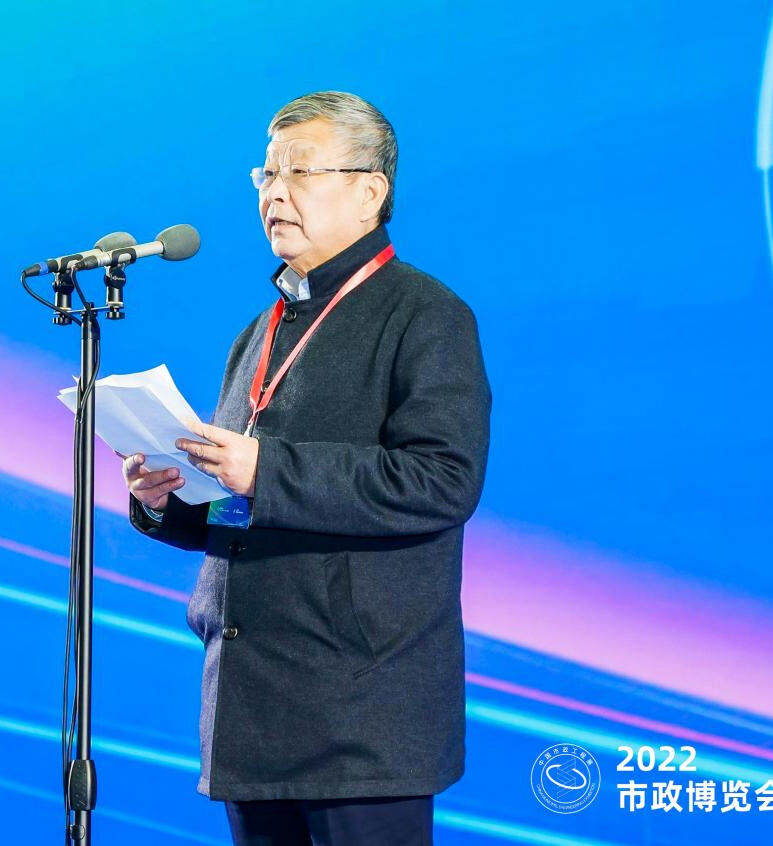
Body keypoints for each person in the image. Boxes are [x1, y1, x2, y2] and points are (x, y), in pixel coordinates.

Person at [122, 91, 491, 846]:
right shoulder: (257, 331)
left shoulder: (424, 315)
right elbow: (246, 506)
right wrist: (171, 500)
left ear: (369, 192)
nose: (274, 193)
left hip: (361, 710)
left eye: (299, 172)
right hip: (250, 706)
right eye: (265, 174)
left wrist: (265, 469)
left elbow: (441, 481)